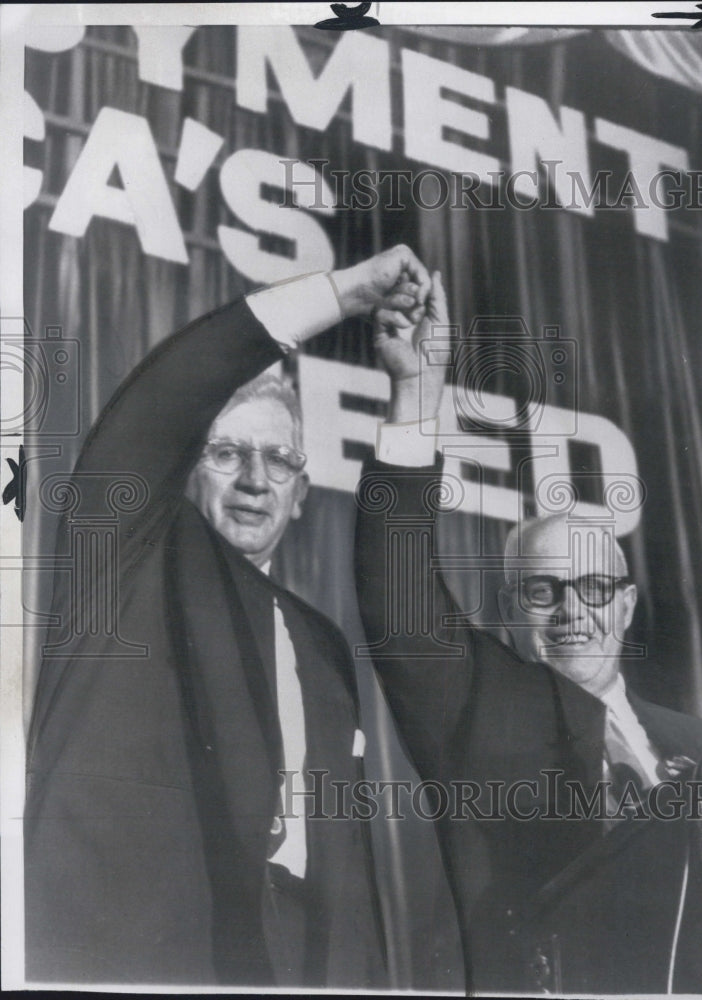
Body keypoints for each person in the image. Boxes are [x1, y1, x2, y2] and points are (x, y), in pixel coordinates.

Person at [24, 245, 432, 988]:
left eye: (280, 460)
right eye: (226, 453)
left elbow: (344, 858)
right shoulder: (124, 557)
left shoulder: (321, 644)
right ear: (182, 466)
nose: (254, 481)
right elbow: (169, 391)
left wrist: (410, 388)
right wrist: (344, 293)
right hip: (145, 949)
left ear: (303, 492)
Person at [354, 273, 702, 993]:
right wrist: (416, 397)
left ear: (625, 605)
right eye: (541, 590)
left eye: (591, 588)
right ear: (509, 610)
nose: (570, 612)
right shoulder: (473, 712)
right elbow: (397, 603)